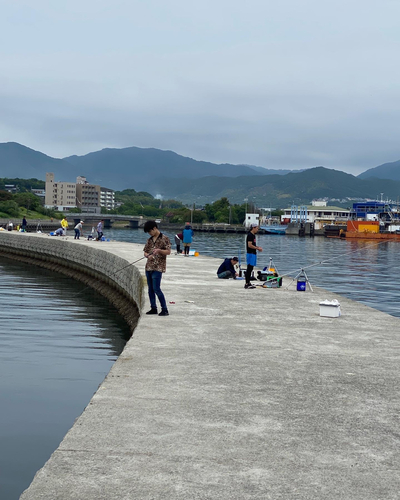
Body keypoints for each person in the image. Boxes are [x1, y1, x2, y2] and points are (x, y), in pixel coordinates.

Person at [143, 220, 171, 317]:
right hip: (149, 267)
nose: (150, 233)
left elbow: (168, 251)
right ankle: (153, 308)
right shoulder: (149, 240)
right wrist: (148, 256)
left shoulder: (165, 238)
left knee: (156, 288)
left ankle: (164, 309)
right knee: (150, 289)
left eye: (150, 231)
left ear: (155, 228)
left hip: (158, 267)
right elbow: (145, 252)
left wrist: (159, 251)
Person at [245, 223, 263, 289]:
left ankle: (249, 282)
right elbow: (249, 245)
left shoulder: (254, 235)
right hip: (250, 253)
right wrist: (257, 248)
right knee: (249, 268)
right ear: (253, 228)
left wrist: (258, 247)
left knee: (251, 268)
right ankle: (247, 283)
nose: (257, 229)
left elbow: (253, 244)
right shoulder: (250, 235)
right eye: (257, 228)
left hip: (253, 253)